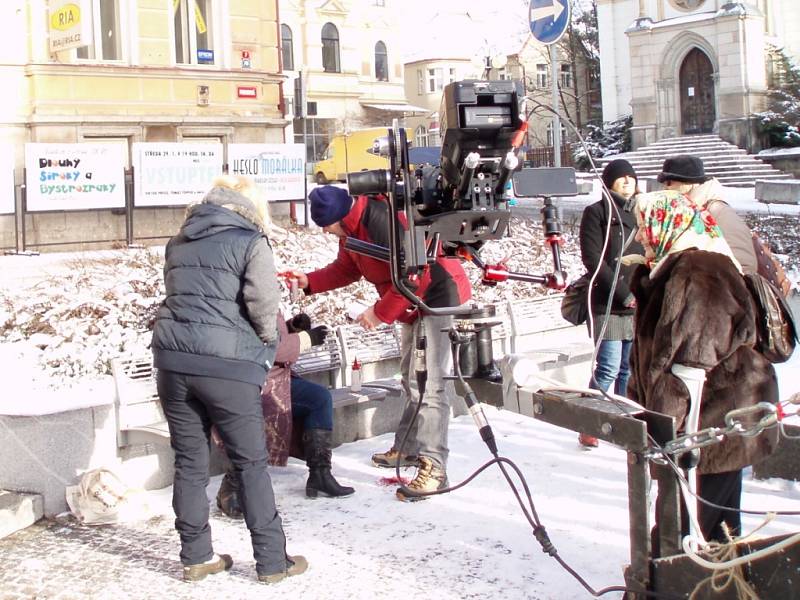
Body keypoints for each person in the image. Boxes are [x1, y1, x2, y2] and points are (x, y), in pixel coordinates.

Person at [151, 175, 307, 583]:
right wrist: (267, 346)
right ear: (251, 206)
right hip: (226, 368)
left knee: (189, 462)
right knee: (251, 464)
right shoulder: (251, 241)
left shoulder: (179, 240)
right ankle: (273, 562)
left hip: (172, 362)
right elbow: (262, 309)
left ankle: (196, 556)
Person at [285, 185, 472, 502]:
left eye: (327, 226)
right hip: (410, 304)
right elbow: (347, 269)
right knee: (410, 377)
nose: (328, 233)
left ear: (339, 217)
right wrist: (310, 281)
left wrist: (379, 312)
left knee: (429, 383)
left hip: (437, 296)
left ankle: (435, 468)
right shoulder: (350, 231)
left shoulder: (381, 221)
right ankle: (409, 448)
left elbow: (417, 272)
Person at [627, 189, 778, 550]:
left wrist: (667, 430)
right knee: (701, 523)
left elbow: (690, 363)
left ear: (666, 224)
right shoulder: (679, 265)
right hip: (710, 420)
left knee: (702, 529)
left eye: (645, 226)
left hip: (711, 420)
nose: (641, 235)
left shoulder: (698, 271)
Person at [215, 310, 355, 513]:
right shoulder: (241, 294)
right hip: (248, 382)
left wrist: (291, 327)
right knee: (251, 414)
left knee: (318, 398)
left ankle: (320, 476)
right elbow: (264, 347)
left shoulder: (255, 289)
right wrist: (305, 339)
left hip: (270, 378)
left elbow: (269, 334)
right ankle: (232, 488)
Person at [577, 159, 643, 448]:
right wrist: (622, 293)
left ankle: (623, 421)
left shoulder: (643, 213)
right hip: (609, 301)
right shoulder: (597, 213)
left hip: (638, 302)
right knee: (608, 367)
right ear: (609, 182)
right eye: (621, 178)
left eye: (631, 177)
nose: (627, 181)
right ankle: (590, 423)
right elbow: (594, 260)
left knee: (628, 368)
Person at [657, 155, 757, 274]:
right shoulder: (685, 212)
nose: (665, 188)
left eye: (669, 182)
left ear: (690, 183)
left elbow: (743, 264)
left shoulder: (718, 211)